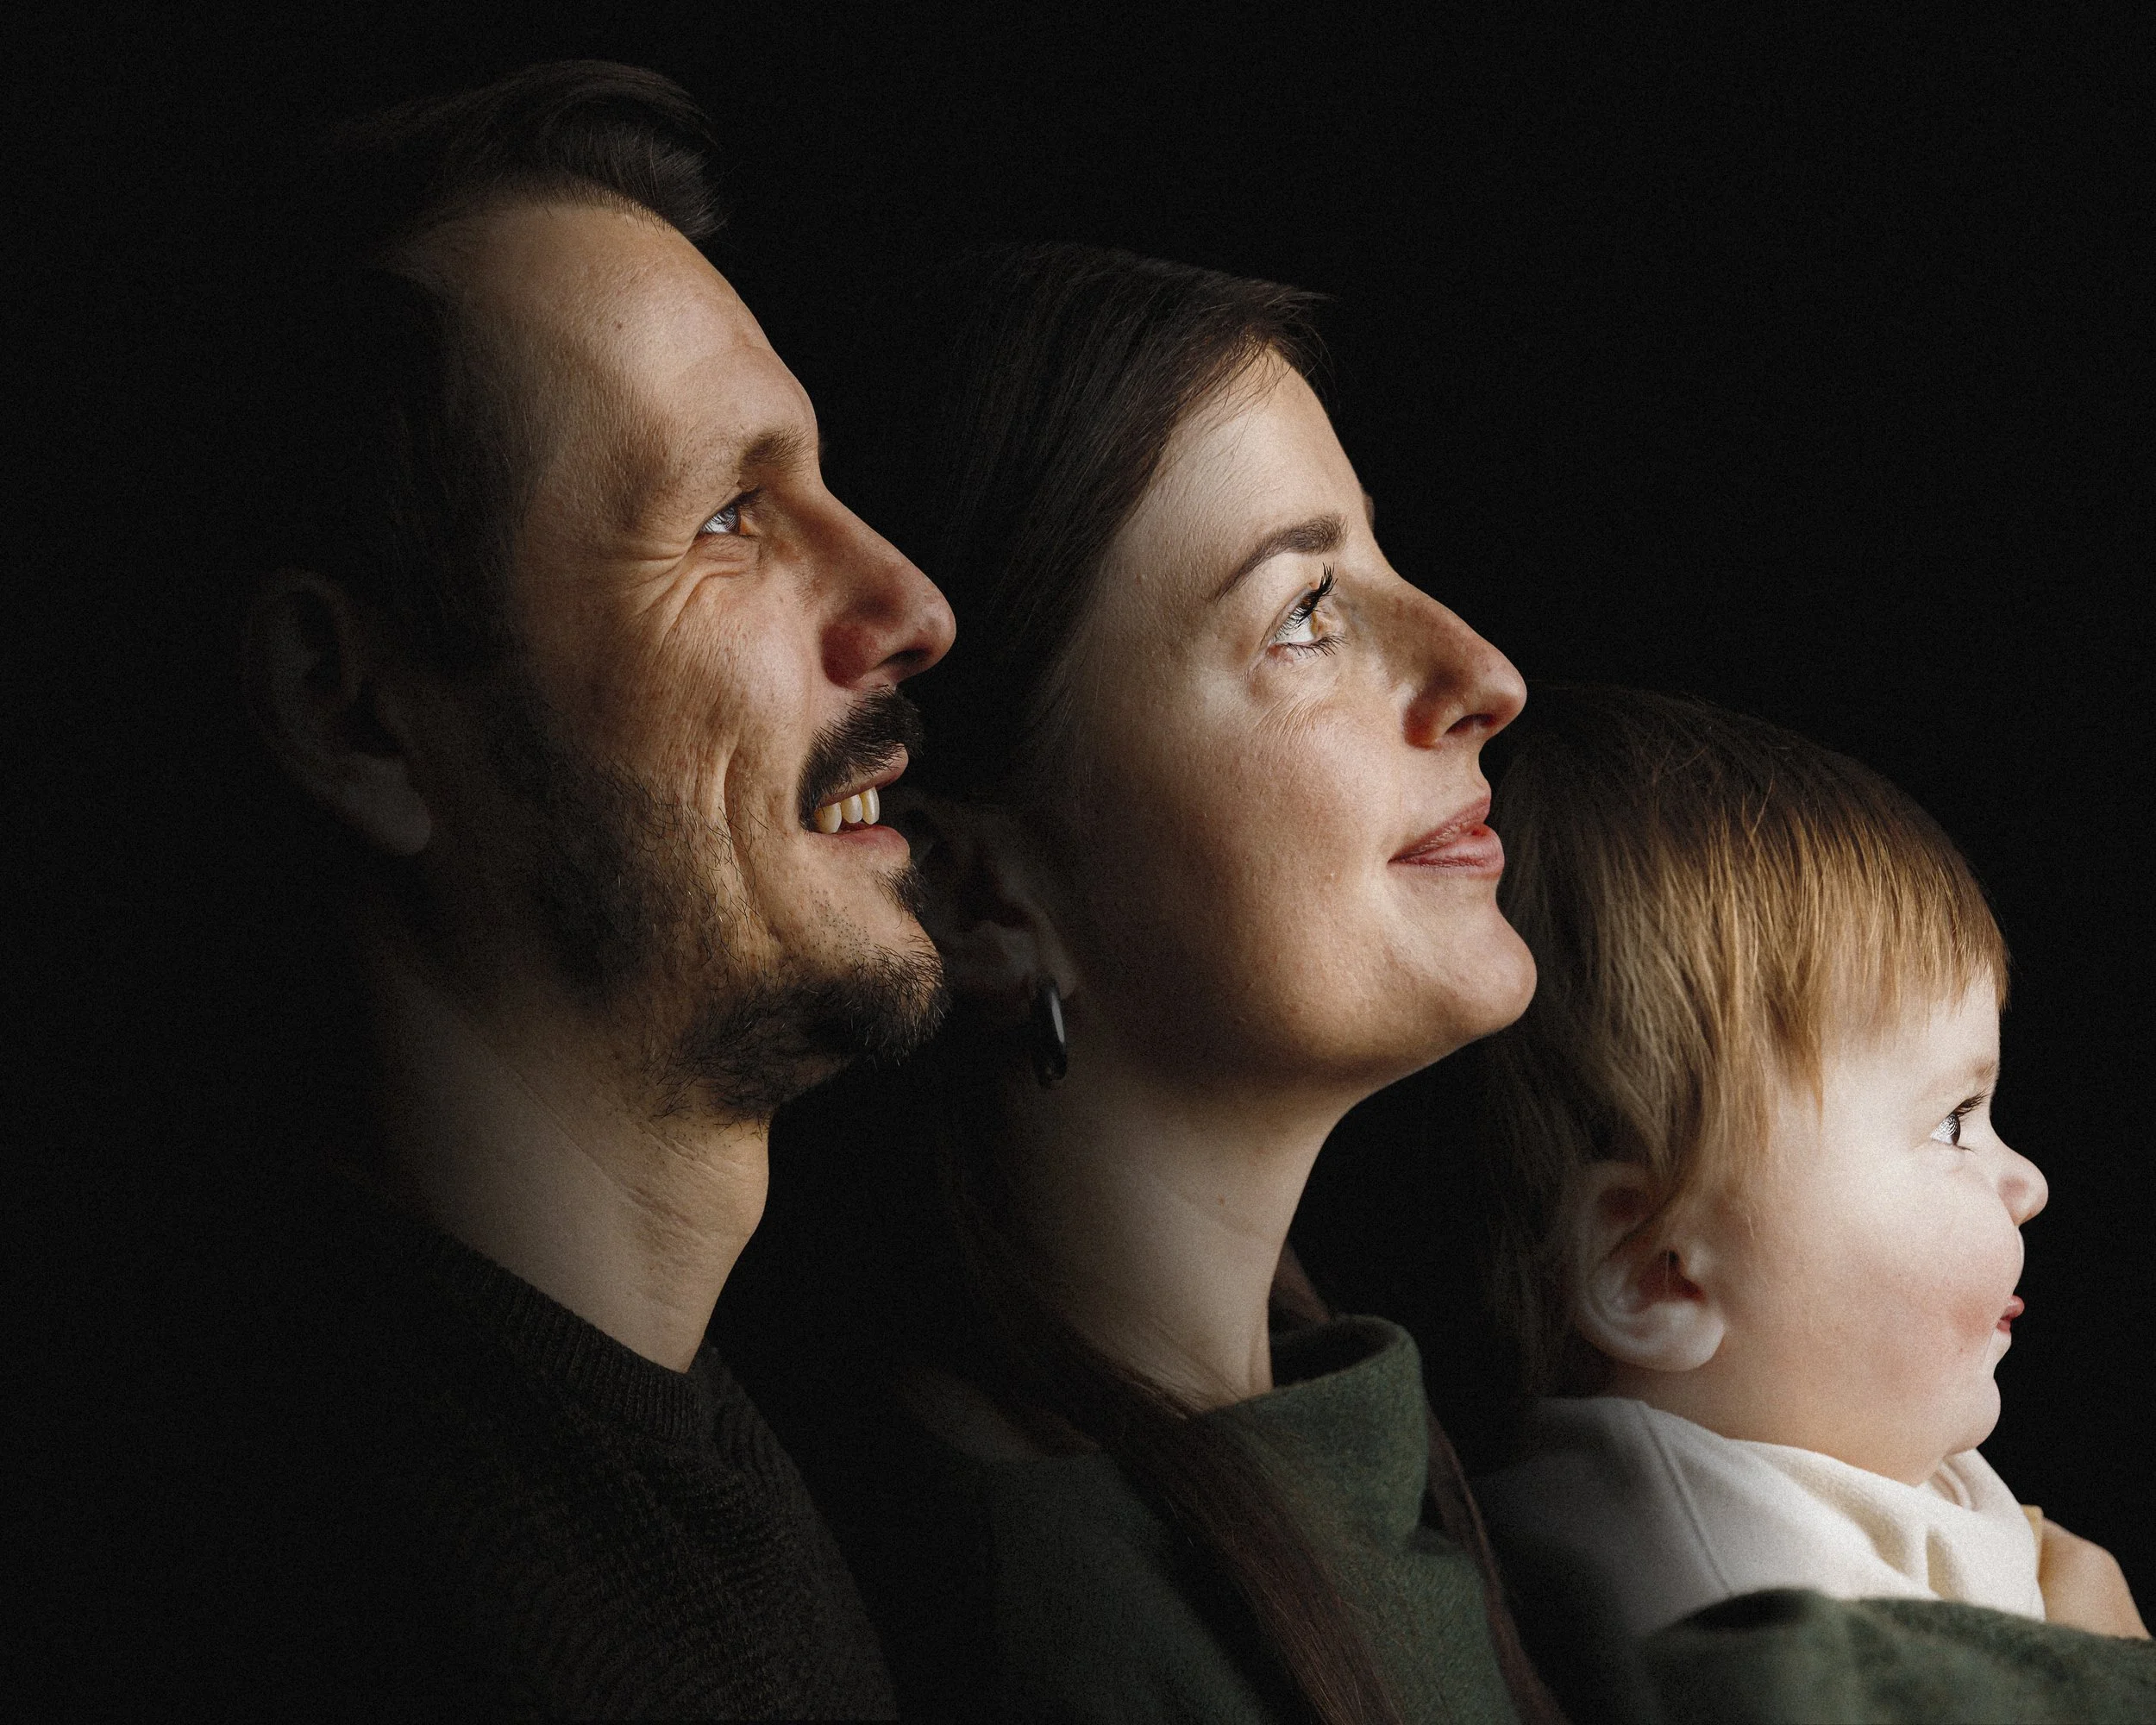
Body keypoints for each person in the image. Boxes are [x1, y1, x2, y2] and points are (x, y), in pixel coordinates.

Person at [29, 61, 954, 1716]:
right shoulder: (308, 1602)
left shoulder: (686, 1466)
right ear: (355, 709)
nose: (909, 600)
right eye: (734, 515)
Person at [766, 242, 1561, 1725]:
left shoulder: (1349, 1453)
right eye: (1306, 612)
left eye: (1379, 561)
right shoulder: (1054, 1632)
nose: (1485, 670)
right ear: (976, 893)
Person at [1469, 685, 2147, 1643]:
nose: (2027, 1183)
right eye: (1953, 1122)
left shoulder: (1840, 1446)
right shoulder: (1716, 1593)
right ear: (1656, 1271)